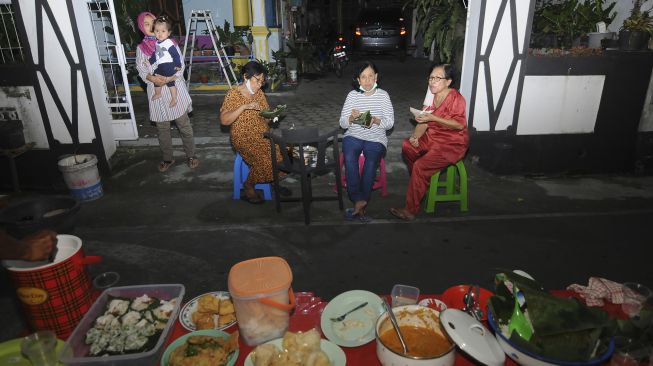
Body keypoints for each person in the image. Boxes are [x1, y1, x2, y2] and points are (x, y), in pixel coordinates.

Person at [390, 63, 469, 221]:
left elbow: (460, 124)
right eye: (431, 77)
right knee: (407, 145)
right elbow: (424, 122)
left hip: (452, 144)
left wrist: (433, 117)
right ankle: (420, 182)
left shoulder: (456, 98)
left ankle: (410, 210)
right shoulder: (432, 95)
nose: (432, 82)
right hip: (434, 138)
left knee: (419, 166)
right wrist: (415, 137)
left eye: (437, 78)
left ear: (448, 81)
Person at [135, 12, 199, 172]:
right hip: (156, 91)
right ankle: (168, 158)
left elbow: (181, 64)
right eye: (147, 24)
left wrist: (171, 76)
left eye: (153, 22)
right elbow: (141, 69)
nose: (151, 27)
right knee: (162, 129)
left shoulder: (170, 43)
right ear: (142, 27)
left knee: (184, 125)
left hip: (174, 89)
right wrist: (152, 78)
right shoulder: (141, 49)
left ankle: (191, 155)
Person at [220, 61, 287, 204]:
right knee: (267, 160)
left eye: (262, 82)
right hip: (243, 138)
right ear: (246, 77)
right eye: (258, 80)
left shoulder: (259, 93)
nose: (259, 85)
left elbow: (265, 115)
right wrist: (244, 106)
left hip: (263, 135)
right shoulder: (233, 94)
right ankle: (249, 185)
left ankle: (272, 180)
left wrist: (272, 116)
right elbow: (224, 121)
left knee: (286, 152)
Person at [339, 61, 394, 222]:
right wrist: (351, 117)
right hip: (353, 135)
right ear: (358, 80)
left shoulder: (383, 95)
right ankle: (358, 199)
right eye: (364, 77)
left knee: (371, 161)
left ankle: (361, 200)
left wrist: (376, 121)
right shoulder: (352, 95)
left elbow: (390, 122)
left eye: (371, 76)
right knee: (350, 157)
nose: (368, 80)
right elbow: (342, 123)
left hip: (376, 138)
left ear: (376, 77)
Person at [148, 16, 181, 107]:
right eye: (157, 31)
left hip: (169, 65)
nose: (160, 34)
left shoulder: (169, 42)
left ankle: (174, 98)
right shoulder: (157, 43)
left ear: (168, 33)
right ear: (154, 32)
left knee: (170, 82)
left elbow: (175, 55)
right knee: (155, 76)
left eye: (163, 31)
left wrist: (178, 65)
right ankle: (158, 93)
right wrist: (150, 62)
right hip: (161, 65)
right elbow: (155, 55)